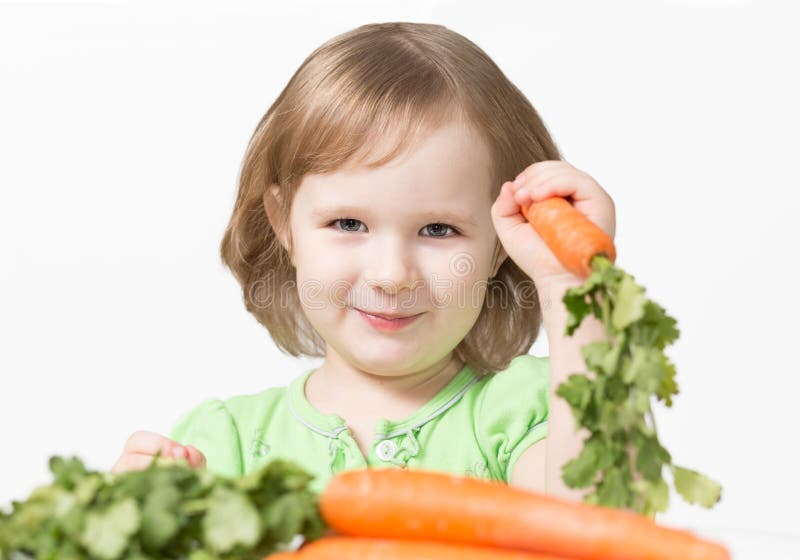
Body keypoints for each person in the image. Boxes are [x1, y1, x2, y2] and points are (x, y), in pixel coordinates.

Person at [111, 21, 615, 501]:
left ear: (501, 244)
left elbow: (599, 533)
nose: (391, 275)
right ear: (284, 220)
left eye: (438, 229)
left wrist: (574, 287)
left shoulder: (528, 416)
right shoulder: (223, 447)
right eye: (349, 224)